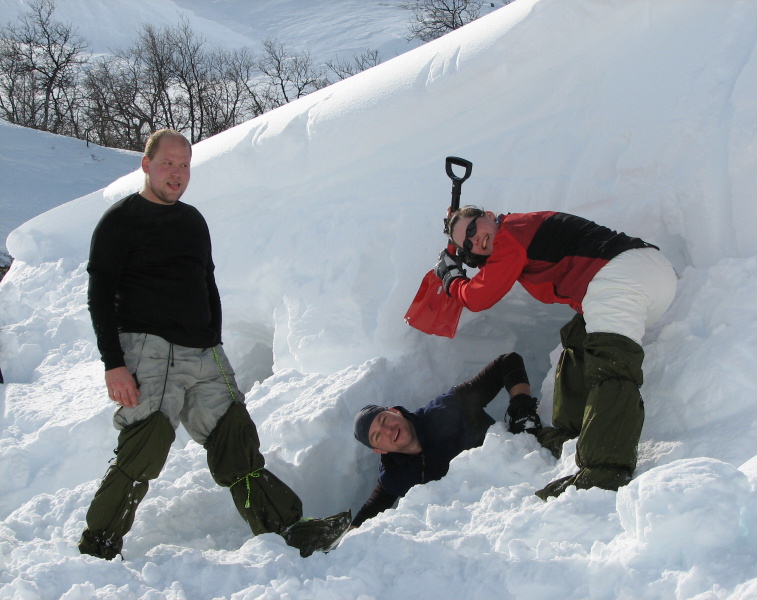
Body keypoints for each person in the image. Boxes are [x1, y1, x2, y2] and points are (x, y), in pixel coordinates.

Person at [79, 129, 349, 560]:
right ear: (146, 165)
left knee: (235, 439)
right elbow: (99, 295)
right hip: (148, 349)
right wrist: (113, 363)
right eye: (167, 163)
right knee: (145, 444)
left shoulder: (192, 221)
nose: (177, 173)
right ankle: (99, 545)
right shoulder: (120, 220)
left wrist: (213, 336)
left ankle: (289, 530)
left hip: (203, 352)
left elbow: (206, 282)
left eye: (184, 165)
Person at [435, 208, 677, 500]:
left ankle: (604, 469)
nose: (475, 238)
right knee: (579, 339)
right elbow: (493, 269)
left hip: (624, 273)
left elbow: (479, 296)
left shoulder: (511, 232)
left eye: (473, 226)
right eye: (467, 243)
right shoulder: (515, 236)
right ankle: (571, 434)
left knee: (610, 364)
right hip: (644, 275)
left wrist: (452, 279)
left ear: (489, 214)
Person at [351, 352, 539, 528]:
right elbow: (370, 511)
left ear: (395, 411)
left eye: (384, 420)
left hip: (528, 478)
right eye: (377, 436)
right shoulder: (394, 477)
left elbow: (507, 362)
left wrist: (522, 409)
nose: (387, 430)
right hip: (485, 524)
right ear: (380, 450)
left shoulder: (448, 408)